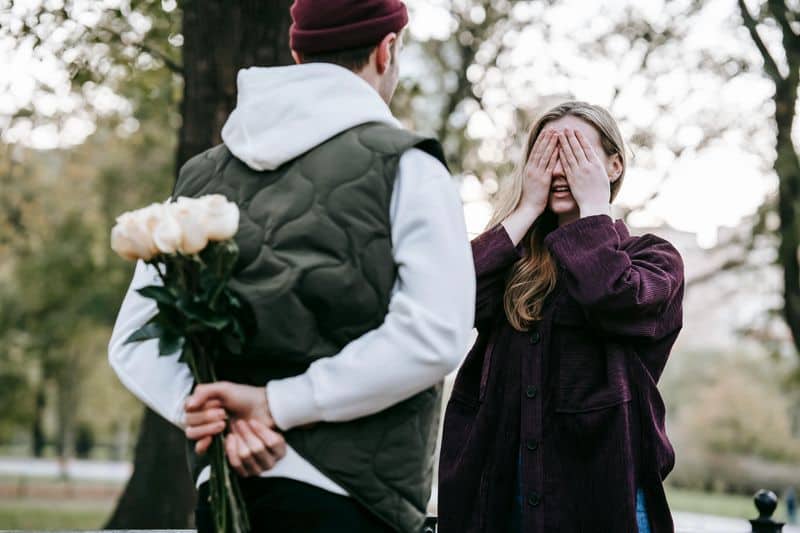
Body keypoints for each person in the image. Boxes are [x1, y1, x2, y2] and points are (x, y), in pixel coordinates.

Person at [108, 1, 475, 531]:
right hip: (354, 495)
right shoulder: (409, 164)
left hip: (228, 484)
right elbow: (436, 335)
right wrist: (274, 404)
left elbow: (136, 339)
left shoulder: (201, 177)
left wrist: (210, 412)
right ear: (386, 49)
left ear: (296, 51)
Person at [437, 101, 684, 533]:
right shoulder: (509, 259)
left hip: (606, 496)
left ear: (613, 165)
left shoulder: (653, 258)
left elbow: (613, 296)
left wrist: (593, 210)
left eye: (576, 153)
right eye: (547, 154)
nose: (559, 167)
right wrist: (527, 208)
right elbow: (445, 299)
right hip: (501, 493)